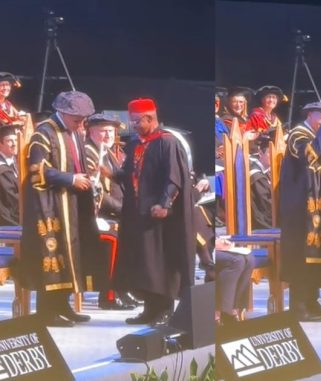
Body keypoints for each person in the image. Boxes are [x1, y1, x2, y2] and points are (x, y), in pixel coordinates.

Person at [18, 91, 101, 327]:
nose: (82, 124)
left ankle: (63, 305)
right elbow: (37, 169)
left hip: (72, 204)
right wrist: (71, 179)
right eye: (78, 119)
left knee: (71, 254)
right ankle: (47, 312)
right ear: (64, 113)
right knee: (53, 257)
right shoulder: (44, 133)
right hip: (50, 205)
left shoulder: (74, 132)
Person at [110, 98, 195, 326]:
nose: (134, 126)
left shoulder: (167, 142)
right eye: (132, 122)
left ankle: (164, 310)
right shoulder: (135, 143)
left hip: (160, 215)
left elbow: (174, 178)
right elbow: (130, 173)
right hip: (137, 213)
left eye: (137, 121)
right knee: (143, 264)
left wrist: (164, 204)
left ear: (149, 118)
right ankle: (149, 309)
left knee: (161, 263)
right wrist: (110, 174)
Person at [279, 101, 321, 322]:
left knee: (319, 255)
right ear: (310, 115)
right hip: (299, 206)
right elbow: (310, 156)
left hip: (319, 202)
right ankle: (298, 306)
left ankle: (312, 302)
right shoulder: (297, 134)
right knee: (302, 256)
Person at [83, 113, 136, 311]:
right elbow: (95, 193)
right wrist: (123, 210)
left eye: (111, 131)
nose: (108, 135)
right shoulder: (89, 153)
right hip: (94, 215)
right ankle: (109, 295)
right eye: (103, 131)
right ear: (91, 132)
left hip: (115, 211)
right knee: (113, 237)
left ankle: (125, 288)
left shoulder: (108, 152)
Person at [215, 236, 255, 324]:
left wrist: (221, 240)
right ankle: (224, 312)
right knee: (237, 260)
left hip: (215, 246)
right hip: (205, 249)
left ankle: (235, 309)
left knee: (250, 259)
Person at [249, 135, 273, 230]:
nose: (272, 156)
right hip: (262, 221)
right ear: (260, 153)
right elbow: (266, 205)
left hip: (267, 216)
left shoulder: (268, 171)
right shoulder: (256, 176)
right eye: (269, 153)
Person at [0, 123, 20, 226]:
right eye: (9, 141)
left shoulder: (15, 161)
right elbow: (11, 198)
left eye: (16, 140)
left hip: (18, 212)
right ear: (1, 144)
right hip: (9, 219)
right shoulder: (1, 169)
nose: (14, 144)